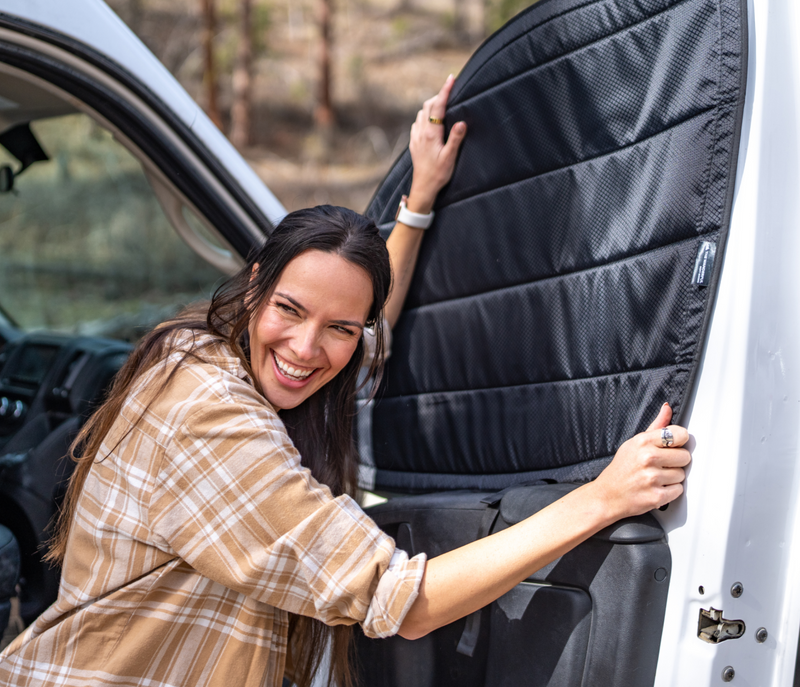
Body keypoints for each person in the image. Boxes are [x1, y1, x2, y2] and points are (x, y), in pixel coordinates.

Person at [0, 77, 690, 687]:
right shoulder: (205, 409)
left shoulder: (228, 357)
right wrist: (601, 500)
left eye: (338, 329)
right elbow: (405, 602)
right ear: (253, 292)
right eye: (290, 311)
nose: (307, 348)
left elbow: (365, 330)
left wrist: (418, 199)